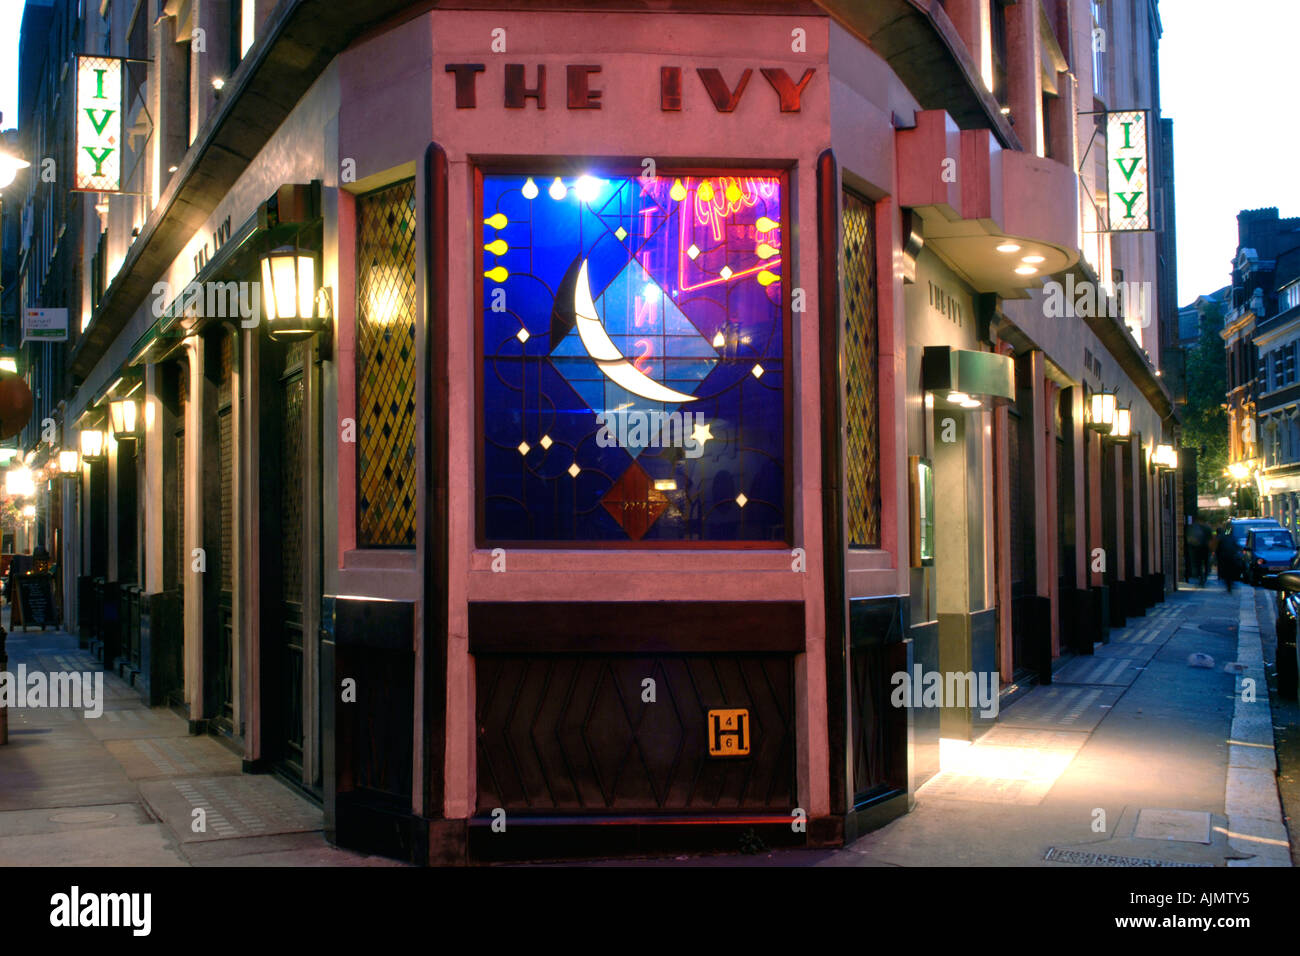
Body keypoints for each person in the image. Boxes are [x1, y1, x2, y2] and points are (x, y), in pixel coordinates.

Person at [1187, 519, 1210, 586]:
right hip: (1205, 549)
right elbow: (1211, 539)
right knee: (1206, 563)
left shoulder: (1194, 528)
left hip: (1196, 549)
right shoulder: (1207, 528)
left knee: (1198, 564)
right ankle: (1205, 576)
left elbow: (1189, 539)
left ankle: (1200, 577)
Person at [1216, 526, 1239, 592]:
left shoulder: (1222, 538)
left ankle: (1228, 583)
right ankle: (1230, 582)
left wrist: (1218, 557)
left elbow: (1218, 549)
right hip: (1230, 557)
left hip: (1225, 557)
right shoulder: (1233, 538)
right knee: (1231, 570)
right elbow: (1236, 547)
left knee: (1226, 571)